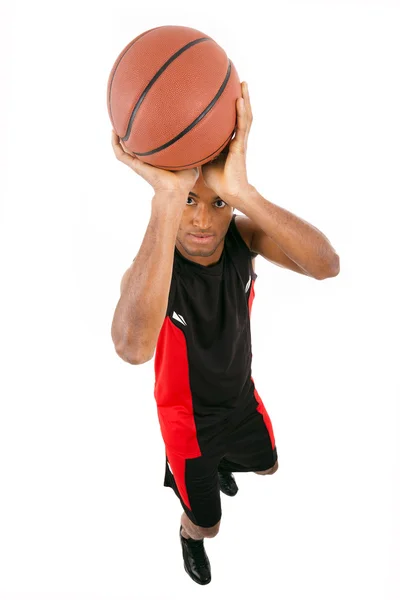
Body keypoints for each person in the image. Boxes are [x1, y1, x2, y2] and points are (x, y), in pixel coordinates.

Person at [110, 82, 340, 586]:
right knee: (209, 524)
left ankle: (214, 468)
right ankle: (188, 531)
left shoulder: (242, 236)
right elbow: (130, 347)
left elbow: (327, 266)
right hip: (187, 421)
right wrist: (165, 199)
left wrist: (243, 192)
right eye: (188, 200)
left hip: (239, 398)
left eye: (217, 204)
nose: (200, 219)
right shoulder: (156, 267)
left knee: (268, 467)